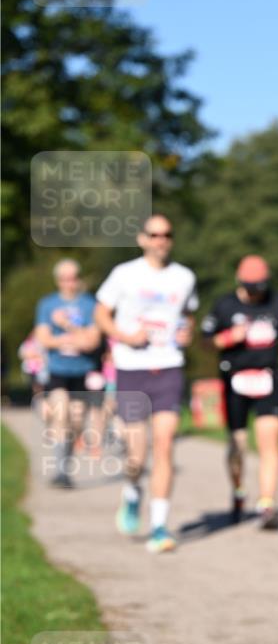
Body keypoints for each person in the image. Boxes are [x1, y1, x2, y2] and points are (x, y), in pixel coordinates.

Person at [95, 215, 198, 553]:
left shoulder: (184, 277)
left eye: (166, 234)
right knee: (137, 453)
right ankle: (132, 492)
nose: (161, 240)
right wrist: (124, 336)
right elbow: (101, 314)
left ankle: (158, 526)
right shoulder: (124, 274)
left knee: (165, 444)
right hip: (131, 369)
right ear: (142, 239)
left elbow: (189, 315)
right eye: (154, 234)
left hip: (168, 366)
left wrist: (187, 332)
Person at [201, 255, 278, 530]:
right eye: (251, 287)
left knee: (270, 441)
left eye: (260, 286)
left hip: (268, 378)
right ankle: (238, 490)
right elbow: (206, 342)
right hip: (234, 379)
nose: (256, 292)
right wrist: (229, 337)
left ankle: (267, 505)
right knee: (238, 445)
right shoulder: (224, 305)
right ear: (240, 282)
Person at [34, 259, 102, 488]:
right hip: (58, 370)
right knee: (61, 413)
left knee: (75, 422)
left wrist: (67, 326)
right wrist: (64, 340)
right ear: (58, 280)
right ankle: (60, 472)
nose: (68, 283)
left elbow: (92, 341)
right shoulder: (47, 304)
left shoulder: (89, 304)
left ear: (78, 278)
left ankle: (66, 468)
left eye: (72, 278)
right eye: (64, 278)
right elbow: (43, 339)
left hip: (81, 370)